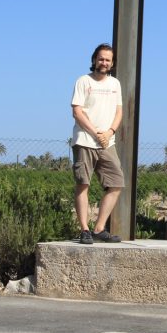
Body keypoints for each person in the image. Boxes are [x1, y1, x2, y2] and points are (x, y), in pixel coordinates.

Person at [70, 43, 124, 244]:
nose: (104, 62)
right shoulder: (83, 81)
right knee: (83, 183)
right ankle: (84, 229)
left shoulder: (115, 84)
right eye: (101, 59)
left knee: (116, 183)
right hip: (85, 141)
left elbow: (119, 112)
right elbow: (77, 111)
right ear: (94, 60)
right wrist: (95, 132)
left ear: (112, 63)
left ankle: (99, 228)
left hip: (107, 143)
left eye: (108, 60)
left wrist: (109, 132)